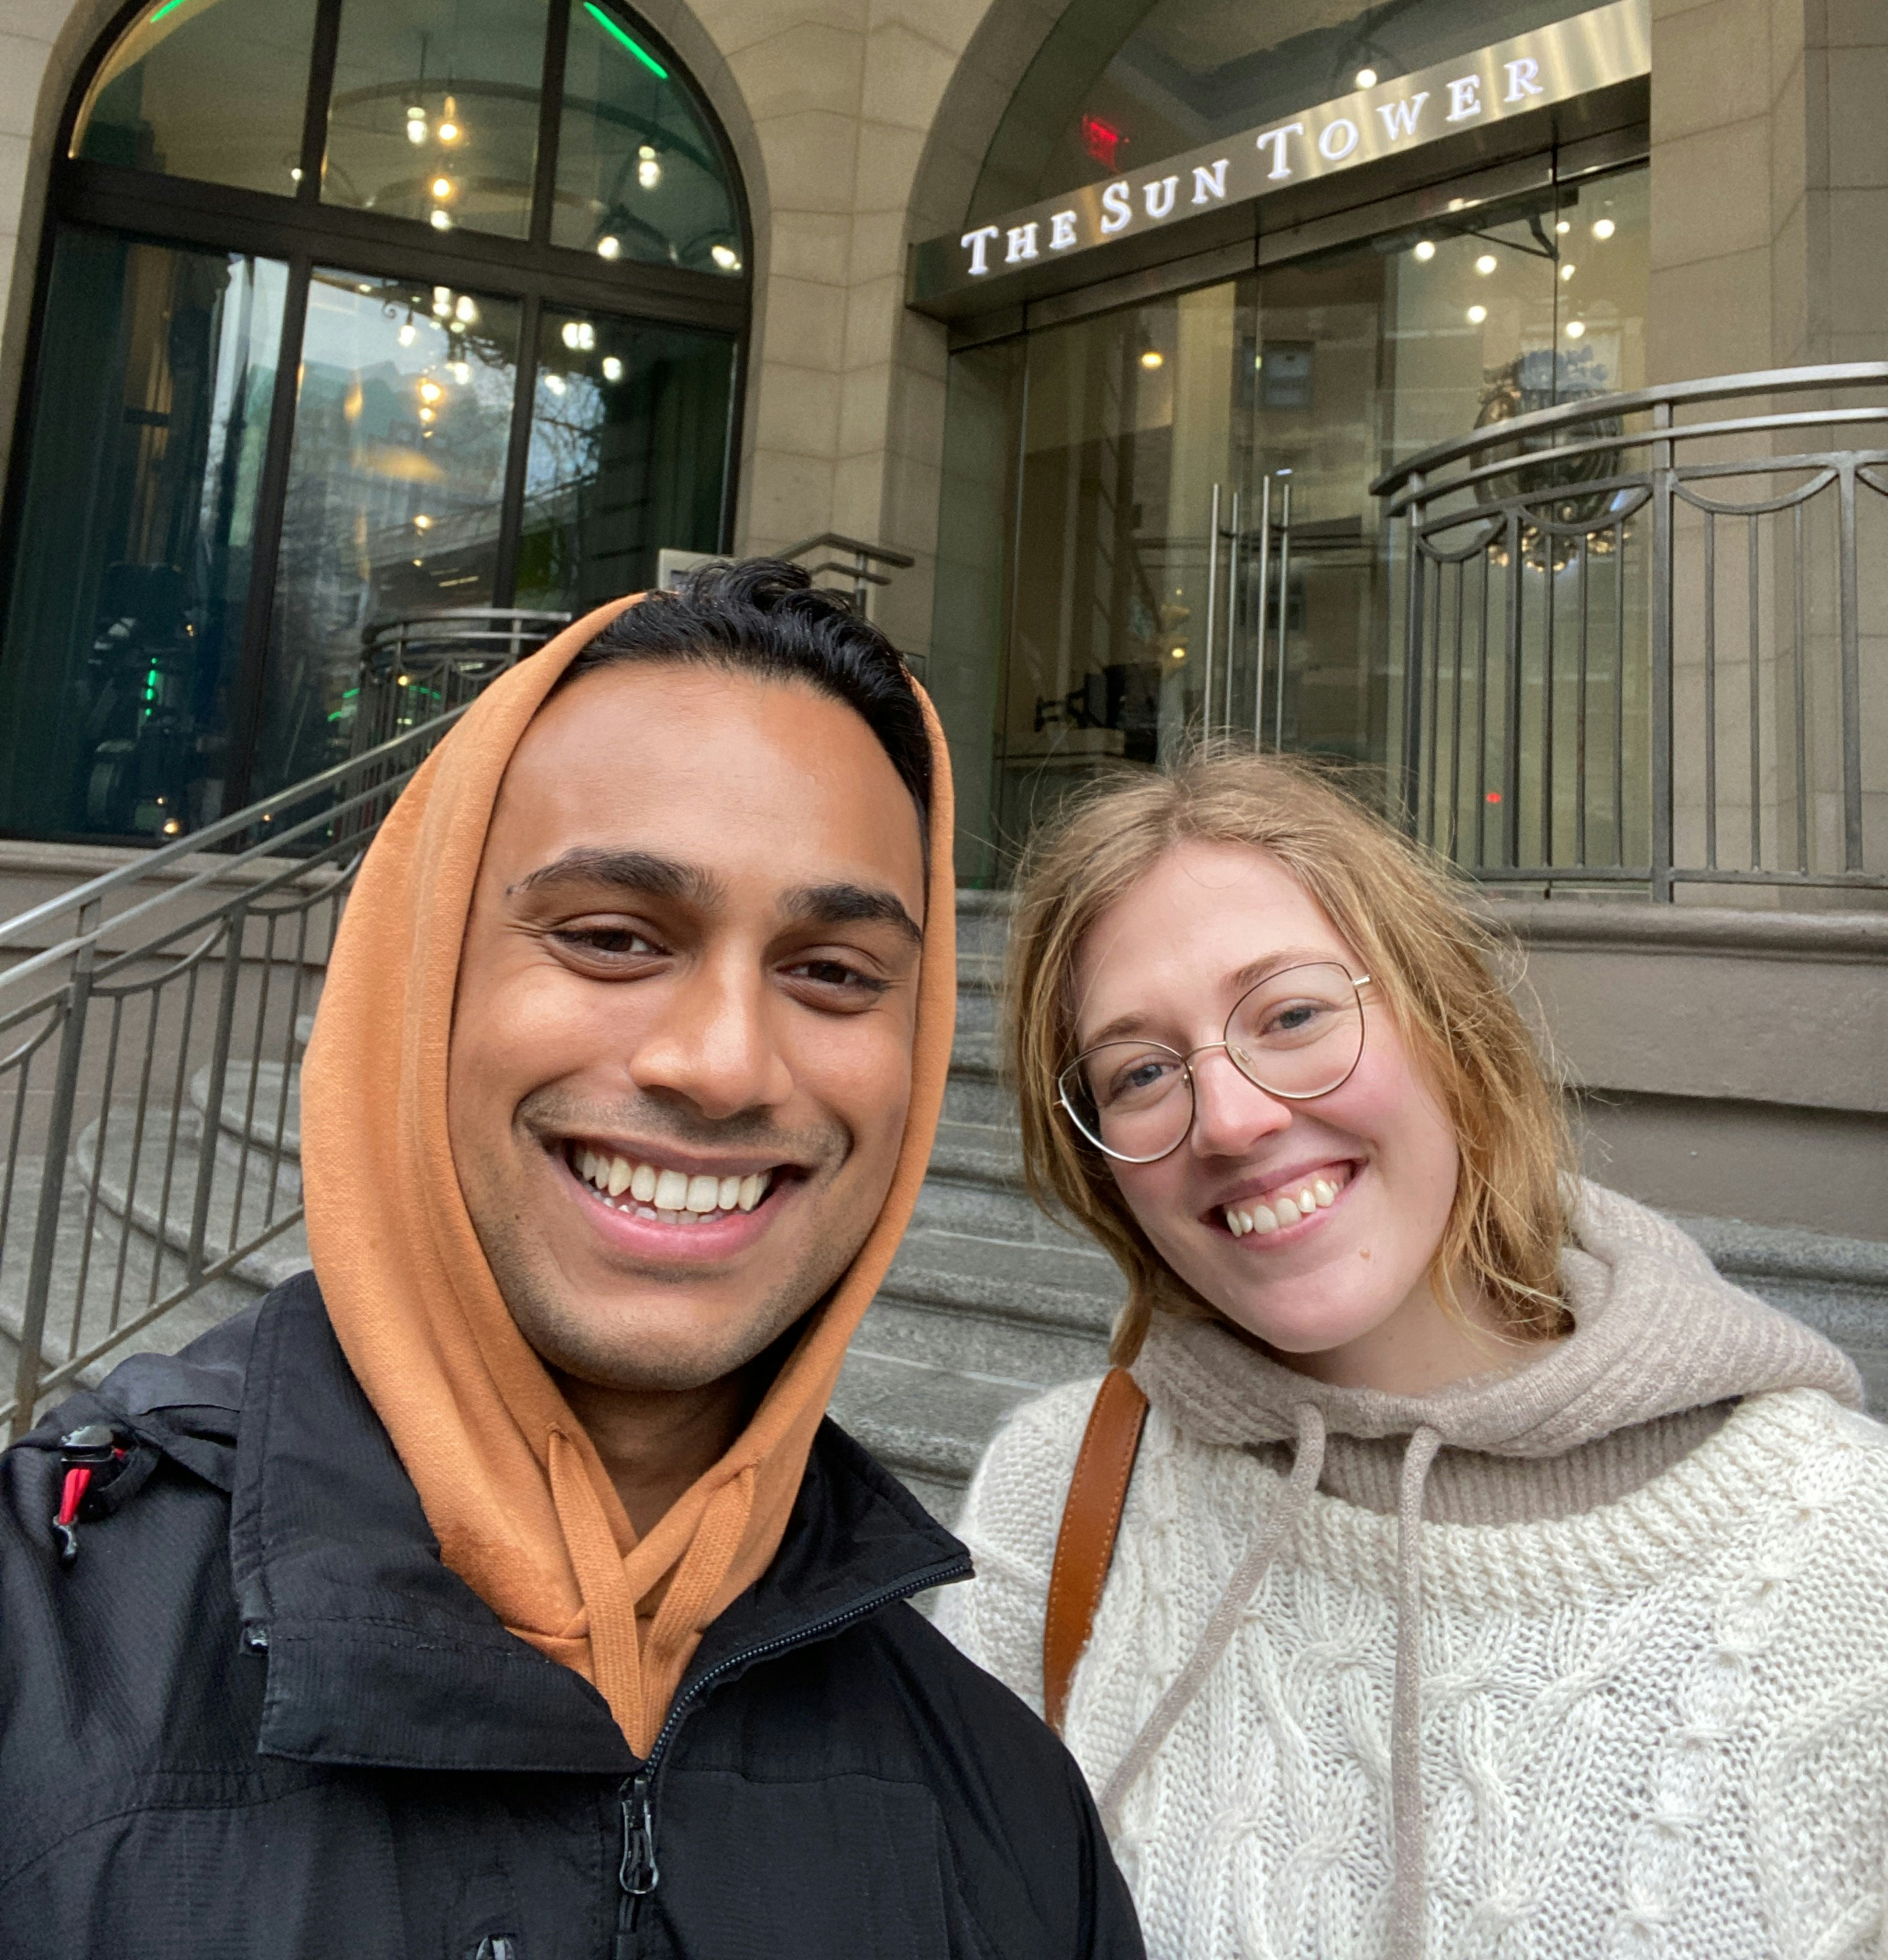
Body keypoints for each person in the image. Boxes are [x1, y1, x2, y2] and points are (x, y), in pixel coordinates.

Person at [0, 562, 1143, 1960]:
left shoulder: (1008, 1814)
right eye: (612, 938)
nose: (723, 1065)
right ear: (420, 981)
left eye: (834, 971)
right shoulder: (35, 1665)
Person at [937, 751, 1888, 1958]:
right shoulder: (1062, 1495)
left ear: (1447, 1023)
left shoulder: (1852, 1564)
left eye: (1291, 1014)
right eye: (1140, 1073)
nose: (1230, 1119)